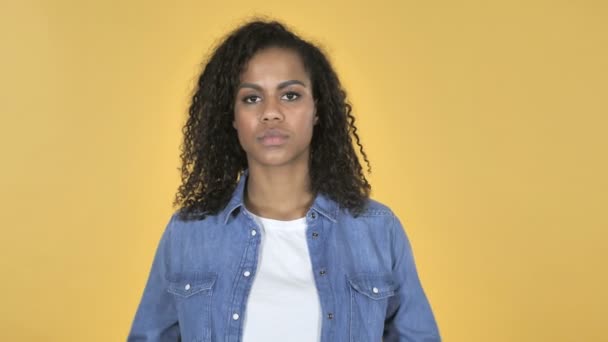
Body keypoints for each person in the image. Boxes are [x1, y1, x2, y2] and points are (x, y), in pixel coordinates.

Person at [128, 19, 440, 342]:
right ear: (232, 117)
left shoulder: (377, 231)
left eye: (290, 95)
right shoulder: (188, 234)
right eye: (251, 98)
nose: (271, 113)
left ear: (317, 109)